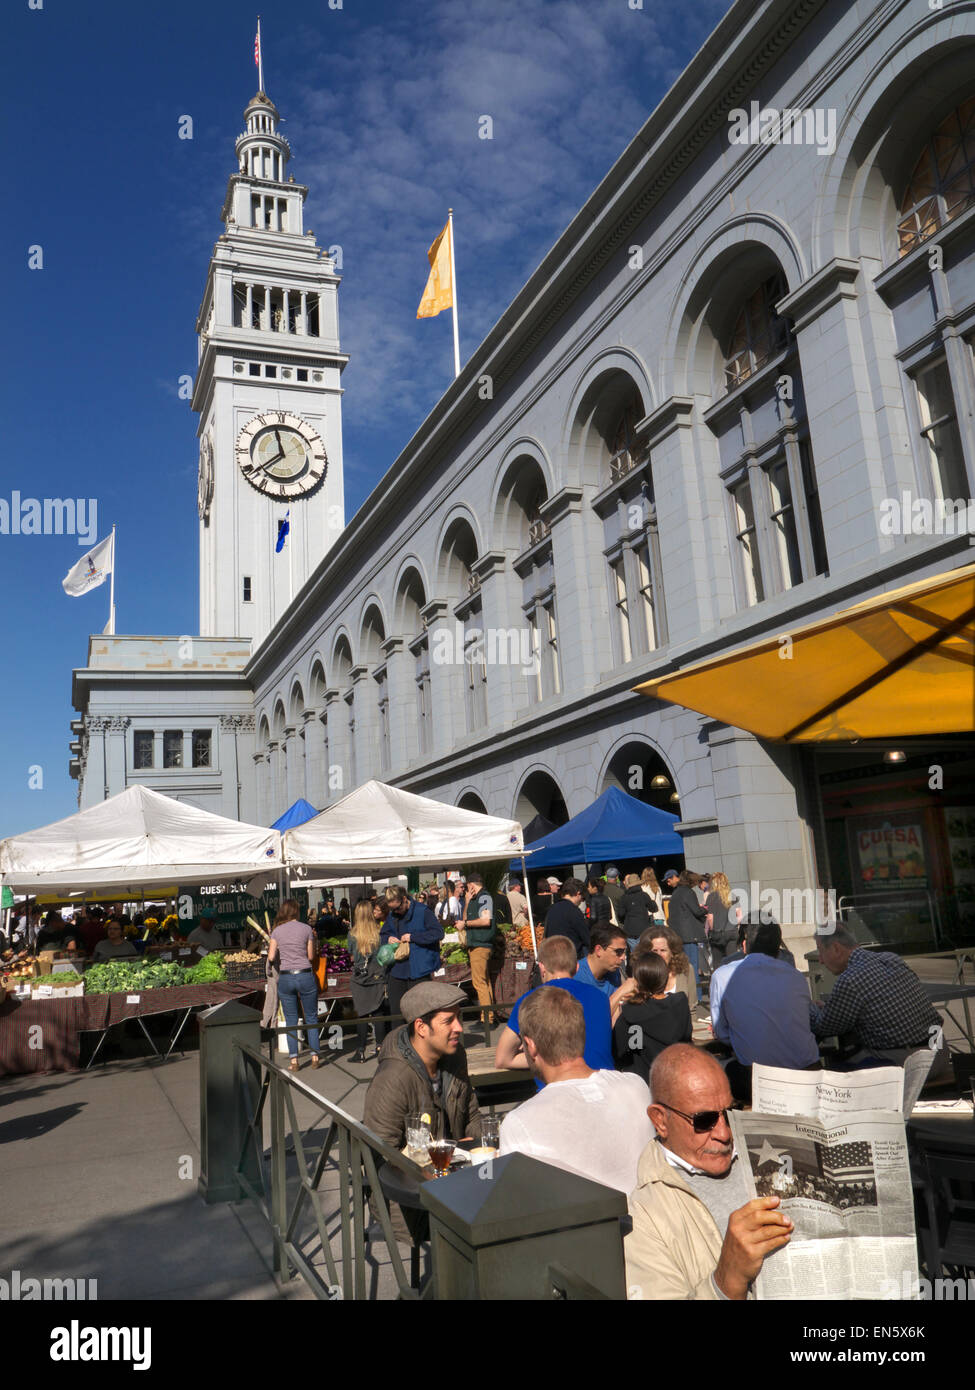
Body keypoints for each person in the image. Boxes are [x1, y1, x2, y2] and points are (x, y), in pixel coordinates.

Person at [625, 1045, 794, 1299]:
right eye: (704, 1121)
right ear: (660, 1120)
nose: (724, 1133)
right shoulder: (643, 1217)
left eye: (728, 1112)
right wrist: (727, 1280)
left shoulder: (759, 1146)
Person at [499, 987, 653, 1194]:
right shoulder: (636, 1087)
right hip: (651, 1220)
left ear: (530, 1046)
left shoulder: (520, 1123)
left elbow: (517, 1204)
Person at [708, 919, 819, 1101]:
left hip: (756, 1079)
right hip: (807, 1071)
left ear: (744, 944)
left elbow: (722, 1034)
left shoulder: (722, 976)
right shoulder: (795, 976)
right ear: (778, 946)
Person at [363, 981, 481, 1149]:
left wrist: (485, 1143)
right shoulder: (392, 1079)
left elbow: (471, 1116)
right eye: (448, 1021)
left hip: (456, 1166)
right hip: (415, 1172)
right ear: (421, 1027)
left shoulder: (456, 1055)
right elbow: (381, 1153)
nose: (459, 1027)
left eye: (459, 1017)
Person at [810, 926, 943, 1067]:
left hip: (909, 1064)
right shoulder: (892, 959)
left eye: (821, 951)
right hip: (939, 1052)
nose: (820, 960)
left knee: (834, 1072)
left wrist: (809, 1008)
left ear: (836, 948)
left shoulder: (850, 979)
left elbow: (824, 1027)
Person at [494, 933, 614, 1084]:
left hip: (559, 1091)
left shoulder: (531, 1000)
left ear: (542, 967)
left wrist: (543, 1057)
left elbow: (502, 1059)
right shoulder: (601, 997)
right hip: (605, 1084)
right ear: (576, 967)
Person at [614, 951, 692, 1082]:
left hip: (642, 1083)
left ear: (636, 980)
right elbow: (687, 1039)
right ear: (665, 976)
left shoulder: (629, 1014)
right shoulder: (680, 1003)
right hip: (675, 1078)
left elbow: (619, 1053)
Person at [267, 898, 321, 1072]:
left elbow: (271, 957)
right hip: (305, 975)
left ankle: (294, 1061)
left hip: (286, 977)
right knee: (311, 1017)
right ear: (297, 912)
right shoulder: (306, 929)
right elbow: (311, 956)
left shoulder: (277, 931)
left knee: (291, 1020)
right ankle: (315, 1056)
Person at [380, 884, 445, 1021]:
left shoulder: (423, 911)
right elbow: (383, 934)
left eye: (398, 908)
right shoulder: (392, 915)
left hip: (419, 969)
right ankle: (399, 1041)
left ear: (404, 899)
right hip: (397, 970)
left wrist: (413, 937)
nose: (396, 911)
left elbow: (438, 933)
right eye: (392, 909)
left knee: (420, 1012)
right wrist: (388, 938)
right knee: (397, 1013)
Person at [348, 899, 388, 1063]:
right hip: (377, 974)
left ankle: (361, 1051)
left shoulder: (352, 934)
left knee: (362, 1014)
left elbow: (351, 956)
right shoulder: (379, 931)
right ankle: (380, 1047)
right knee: (378, 1012)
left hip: (359, 978)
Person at [576, 925, 637, 1023]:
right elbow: (594, 1022)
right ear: (598, 950)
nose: (623, 957)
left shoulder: (614, 971)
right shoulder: (575, 978)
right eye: (618, 952)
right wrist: (622, 990)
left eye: (625, 952)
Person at [461, 872, 497, 1023]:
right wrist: (467, 901)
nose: (466, 891)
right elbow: (464, 919)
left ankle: (487, 1018)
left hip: (480, 945)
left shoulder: (484, 897)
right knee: (484, 981)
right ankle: (489, 1015)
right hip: (476, 944)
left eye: (467, 888)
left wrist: (467, 924)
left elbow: (485, 921)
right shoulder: (476, 898)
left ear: (471, 885)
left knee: (479, 983)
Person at [666, 871, 709, 995]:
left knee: (683, 968)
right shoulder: (689, 892)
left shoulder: (675, 894)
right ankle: (697, 997)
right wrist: (705, 908)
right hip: (689, 935)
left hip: (677, 935)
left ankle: (686, 994)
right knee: (692, 968)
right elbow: (696, 911)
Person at [637, 926, 697, 1011]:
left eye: (663, 950)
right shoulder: (641, 972)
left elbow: (692, 1008)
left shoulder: (686, 969)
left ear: (672, 952)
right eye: (654, 951)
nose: (659, 955)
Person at [543, 877, 590, 959]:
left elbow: (546, 935)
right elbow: (586, 938)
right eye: (583, 899)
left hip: (553, 958)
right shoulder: (575, 911)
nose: (581, 902)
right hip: (571, 959)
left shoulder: (551, 909)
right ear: (578, 894)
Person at [704, 871, 740, 968]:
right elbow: (739, 916)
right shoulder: (732, 896)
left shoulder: (711, 897)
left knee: (718, 962)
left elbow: (710, 918)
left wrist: (711, 929)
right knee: (733, 960)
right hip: (731, 932)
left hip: (717, 933)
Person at [619, 872, 653, 949]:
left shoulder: (624, 898)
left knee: (635, 954)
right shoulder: (644, 895)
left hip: (630, 930)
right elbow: (653, 908)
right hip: (643, 929)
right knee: (645, 953)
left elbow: (621, 914)